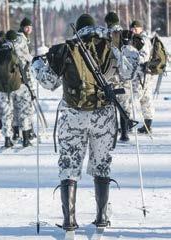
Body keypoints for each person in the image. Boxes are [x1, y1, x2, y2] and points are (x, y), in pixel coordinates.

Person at [31, 14, 139, 231]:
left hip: (72, 115)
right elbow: (129, 72)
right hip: (104, 115)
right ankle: (101, 217)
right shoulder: (109, 45)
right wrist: (129, 47)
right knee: (101, 164)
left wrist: (36, 65)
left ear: (77, 29)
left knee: (69, 167)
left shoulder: (66, 49)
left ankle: (69, 221)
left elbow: (49, 82)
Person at [0, 30, 33, 148]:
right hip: (19, 85)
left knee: (7, 113)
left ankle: (7, 140)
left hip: (3, 87)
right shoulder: (17, 49)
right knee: (24, 111)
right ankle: (26, 138)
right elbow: (28, 62)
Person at [105, 12, 133, 141]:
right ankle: (125, 133)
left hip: (111, 73)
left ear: (108, 22)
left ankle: (113, 133)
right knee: (124, 104)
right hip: (124, 73)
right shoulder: (126, 34)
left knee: (111, 104)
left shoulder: (106, 34)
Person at [12, 17, 36, 143]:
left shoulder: (20, 38)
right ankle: (27, 134)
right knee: (26, 109)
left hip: (16, 79)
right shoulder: (20, 38)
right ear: (22, 27)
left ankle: (17, 133)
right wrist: (28, 58)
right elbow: (17, 51)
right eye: (27, 27)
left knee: (16, 108)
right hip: (22, 78)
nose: (29, 29)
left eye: (30, 27)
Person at [130, 20, 154, 134]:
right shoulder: (144, 39)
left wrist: (131, 57)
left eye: (135, 29)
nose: (133, 31)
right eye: (132, 29)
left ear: (141, 28)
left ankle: (129, 123)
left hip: (141, 74)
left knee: (133, 99)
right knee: (146, 99)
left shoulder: (142, 40)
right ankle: (147, 125)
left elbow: (143, 57)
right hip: (146, 74)